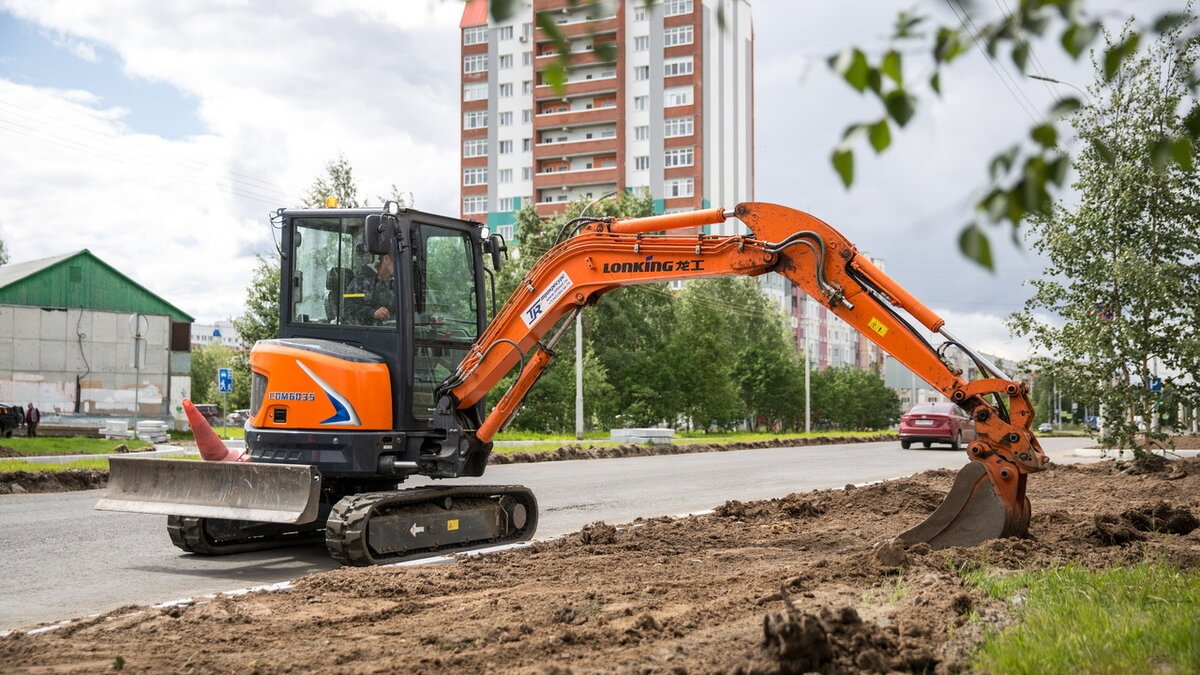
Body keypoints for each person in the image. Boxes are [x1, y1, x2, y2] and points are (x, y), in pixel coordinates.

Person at [343, 252, 396, 325]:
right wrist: (373, 312)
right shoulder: (361, 281)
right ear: (386, 259)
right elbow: (347, 308)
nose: (401, 266)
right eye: (397, 262)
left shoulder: (395, 284)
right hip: (365, 333)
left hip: (390, 331)